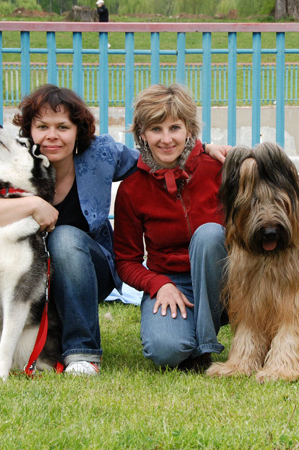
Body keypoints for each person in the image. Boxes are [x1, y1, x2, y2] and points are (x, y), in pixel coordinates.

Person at [0, 83, 229, 376]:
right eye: (42, 127)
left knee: (64, 236)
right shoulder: (15, 160)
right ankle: (37, 338)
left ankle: (82, 352)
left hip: (83, 271)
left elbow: (157, 153)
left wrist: (203, 149)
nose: (52, 135)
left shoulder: (100, 155)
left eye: (63, 127)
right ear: (29, 131)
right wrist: (32, 205)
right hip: (13, 268)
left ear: (78, 131)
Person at [113, 83, 228, 372]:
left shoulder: (218, 168)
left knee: (210, 234)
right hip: (175, 281)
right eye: (156, 129)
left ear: (189, 130)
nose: (166, 139)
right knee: (165, 350)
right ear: (142, 134)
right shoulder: (131, 188)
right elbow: (126, 261)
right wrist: (159, 284)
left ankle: (204, 348)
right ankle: (187, 338)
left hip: (228, 277)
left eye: (174, 128)